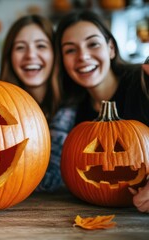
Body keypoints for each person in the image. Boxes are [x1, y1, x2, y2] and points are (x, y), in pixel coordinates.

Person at [55, 10, 149, 212]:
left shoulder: (143, 82)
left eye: (93, 44)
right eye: (70, 50)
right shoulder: (71, 113)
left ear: (111, 48)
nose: (83, 56)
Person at [0, 14, 76, 192]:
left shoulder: (76, 103)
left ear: (55, 54)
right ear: (9, 56)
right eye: (20, 48)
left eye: (41, 46)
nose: (30, 55)